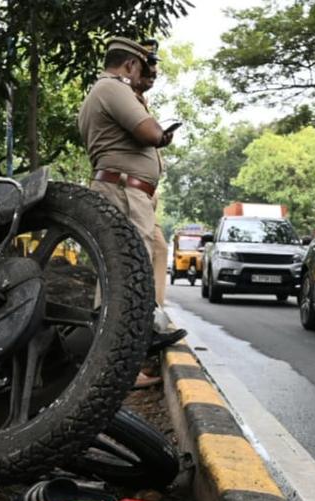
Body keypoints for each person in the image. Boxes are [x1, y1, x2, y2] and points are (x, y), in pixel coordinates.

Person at [77, 37, 184, 388]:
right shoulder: (113, 88)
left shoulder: (112, 91)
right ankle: (114, 369)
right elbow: (151, 133)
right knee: (124, 273)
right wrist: (164, 136)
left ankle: (143, 331)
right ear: (129, 65)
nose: (145, 73)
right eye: (143, 66)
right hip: (122, 192)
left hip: (130, 192)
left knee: (144, 259)